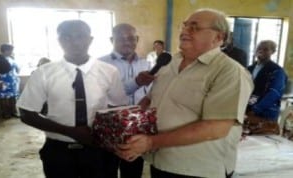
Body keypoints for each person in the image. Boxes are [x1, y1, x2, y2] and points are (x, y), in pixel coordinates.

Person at [116, 8, 254, 178]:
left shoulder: (229, 72)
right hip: (161, 161)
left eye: (194, 27)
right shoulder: (171, 62)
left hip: (197, 168)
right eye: (185, 26)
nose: (184, 31)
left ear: (218, 37)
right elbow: (151, 98)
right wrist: (132, 124)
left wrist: (151, 142)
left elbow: (215, 128)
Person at [17, 20, 128, 178]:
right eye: (67, 37)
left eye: (80, 36)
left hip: (99, 148)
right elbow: (26, 113)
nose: (75, 42)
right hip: (59, 151)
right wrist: (71, 132)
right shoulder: (44, 73)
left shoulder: (109, 72)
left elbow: (118, 108)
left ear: (90, 40)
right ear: (59, 41)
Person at [99, 23, 154, 178]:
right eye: (121, 39)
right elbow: (103, 94)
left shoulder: (147, 63)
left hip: (137, 127)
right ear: (111, 40)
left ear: (137, 39)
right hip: (110, 126)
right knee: (107, 169)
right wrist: (136, 82)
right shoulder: (100, 64)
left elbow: (151, 93)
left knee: (133, 170)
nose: (127, 42)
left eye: (131, 38)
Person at [246, 40, 287, 122]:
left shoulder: (277, 71)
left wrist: (256, 109)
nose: (261, 51)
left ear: (273, 52)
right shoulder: (249, 69)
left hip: (266, 113)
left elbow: (273, 93)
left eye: (265, 49)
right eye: (259, 48)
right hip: (247, 109)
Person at [0, 44, 20, 118]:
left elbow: (15, 68)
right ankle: (5, 113)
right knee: (3, 97)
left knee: (13, 96)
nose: (11, 52)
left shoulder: (11, 58)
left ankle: (13, 112)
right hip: (2, 81)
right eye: (10, 50)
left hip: (12, 81)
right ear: (5, 50)